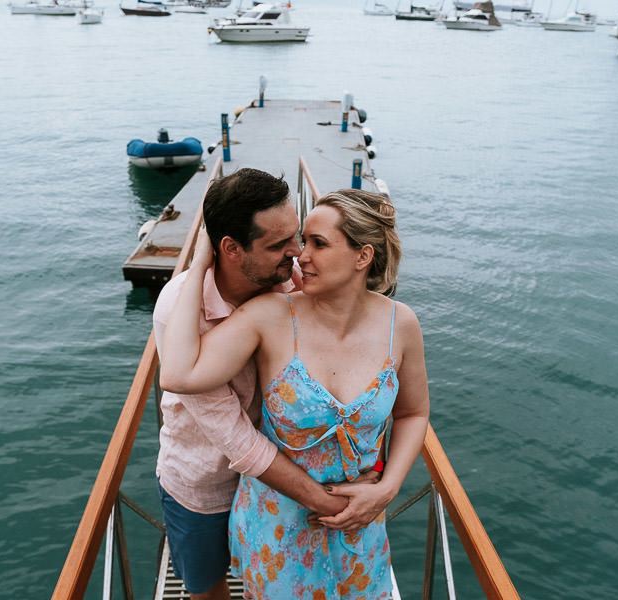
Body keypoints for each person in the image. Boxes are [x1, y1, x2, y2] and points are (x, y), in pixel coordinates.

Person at [160, 189, 430, 599]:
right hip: (275, 518)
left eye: (316, 243)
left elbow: (412, 412)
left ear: (363, 256)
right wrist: (200, 262)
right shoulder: (272, 313)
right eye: (301, 242)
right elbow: (179, 374)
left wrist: (387, 488)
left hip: (361, 520)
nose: (299, 256)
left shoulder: (401, 324)